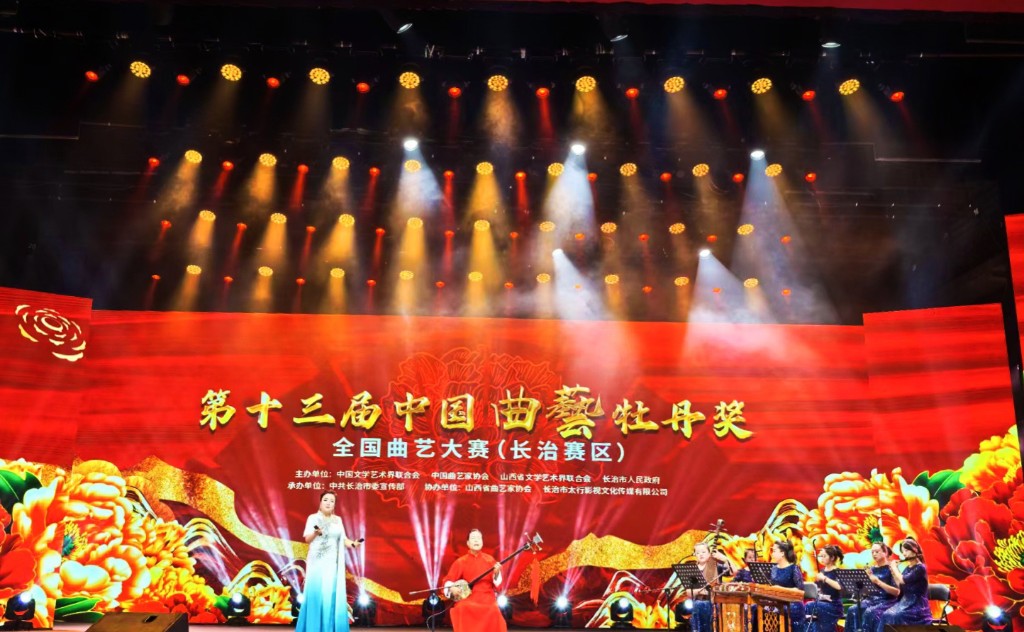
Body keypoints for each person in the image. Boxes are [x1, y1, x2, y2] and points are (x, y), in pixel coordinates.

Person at [296, 491, 362, 632]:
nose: (328, 503)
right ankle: (312, 628)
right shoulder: (313, 518)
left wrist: (353, 544)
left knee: (329, 594)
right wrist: (316, 533)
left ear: (334, 505)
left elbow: (343, 539)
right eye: (326, 500)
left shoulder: (338, 520)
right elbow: (307, 539)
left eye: (332, 501)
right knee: (315, 593)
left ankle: (328, 628)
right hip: (316, 562)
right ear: (320, 502)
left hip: (332, 563)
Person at [442, 529, 507, 632]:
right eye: (473, 538)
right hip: (468, 597)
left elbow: (498, 585)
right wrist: (452, 588)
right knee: (462, 607)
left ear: (482, 542)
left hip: (487, 597)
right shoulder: (461, 562)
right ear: (468, 543)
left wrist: (496, 573)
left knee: (493, 610)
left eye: (478, 538)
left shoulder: (490, 560)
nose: (476, 540)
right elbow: (449, 579)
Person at [876, 539, 932, 632]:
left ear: (914, 550)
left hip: (917, 605)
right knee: (886, 614)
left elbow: (903, 580)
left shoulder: (920, 568)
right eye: (903, 551)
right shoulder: (907, 567)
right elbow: (900, 585)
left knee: (897, 615)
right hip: (906, 602)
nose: (904, 554)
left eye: (906, 550)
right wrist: (893, 572)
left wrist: (894, 568)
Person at [846, 543, 899, 632]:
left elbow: (897, 592)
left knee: (870, 612)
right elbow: (867, 591)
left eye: (877, 552)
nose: (874, 554)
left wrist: (878, 582)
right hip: (871, 600)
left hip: (887, 601)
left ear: (885, 552)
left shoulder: (892, 568)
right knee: (852, 609)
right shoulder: (871, 569)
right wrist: (863, 581)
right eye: (872, 552)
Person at [688, 542, 732, 632]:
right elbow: (688, 592)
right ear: (694, 554)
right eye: (698, 552)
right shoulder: (692, 570)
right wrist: (700, 591)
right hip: (697, 606)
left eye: (703, 552)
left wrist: (725, 559)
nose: (701, 554)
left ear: (709, 553)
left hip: (714, 605)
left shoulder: (716, 566)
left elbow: (733, 571)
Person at [805, 545, 844, 632]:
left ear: (832, 558)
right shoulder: (822, 571)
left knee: (810, 605)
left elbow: (839, 586)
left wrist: (824, 578)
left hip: (833, 605)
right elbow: (817, 588)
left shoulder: (837, 571)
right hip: (822, 602)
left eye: (824, 556)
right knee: (809, 605)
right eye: (820, 556)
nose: (821, 558)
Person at [769, 541, 806, 632]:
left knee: (782, 610)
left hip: (792, 603)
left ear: (782, 553)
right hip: (777, 601)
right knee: (756, 609)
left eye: (774, 551)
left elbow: (800, 590)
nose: (772, 554)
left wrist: (780, 589)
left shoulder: (793, 568)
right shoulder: (773, 569)